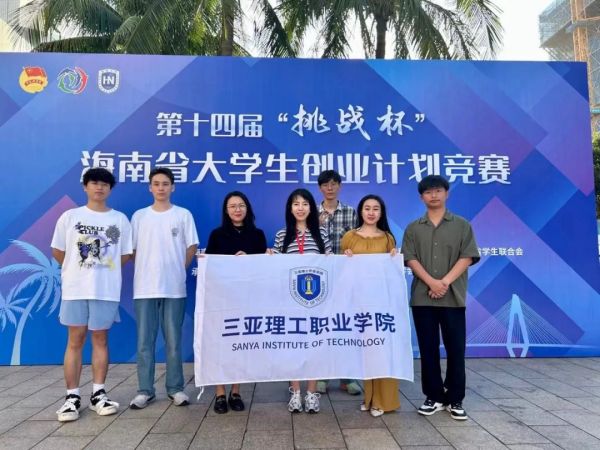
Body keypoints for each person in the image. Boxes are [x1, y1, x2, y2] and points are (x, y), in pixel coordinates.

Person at [51, 167, 132, 422]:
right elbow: (59, 251)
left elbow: (125, 254)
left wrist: (102, 271)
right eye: (94, 183)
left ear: (110, 189)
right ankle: (72, 398)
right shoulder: (70, 216)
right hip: (75, 289)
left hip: (105, 290)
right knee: (75, 340)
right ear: (85, 187)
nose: (99, 187)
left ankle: (98, 394)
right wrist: (79, 270)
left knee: (100, 339)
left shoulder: (119, 219)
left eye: (105, 184)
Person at [401, 175, 480, 421]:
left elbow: (467, 256)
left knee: (456, 349)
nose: (433, 195)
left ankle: (455, 399)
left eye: (438, 191)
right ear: (421, 197)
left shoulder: (462, 225)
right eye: (428, 192)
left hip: (452, 297)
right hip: (422, 298)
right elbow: (410, 259)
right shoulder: (414, 228)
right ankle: (433, 396)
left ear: (447, 193)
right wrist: (432, 283)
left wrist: (444, 282)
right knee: (428, 349)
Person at [129, 167, 198, 410]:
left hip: (174, 288)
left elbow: (191, 247)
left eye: (165, 184)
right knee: (144, 342)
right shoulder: (139, 216)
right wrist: (148, 269)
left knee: (173, 341)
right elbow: (132, 250)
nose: (161, 188)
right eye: (156, 184)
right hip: (145, 288)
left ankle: (175, 388)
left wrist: (177, 269)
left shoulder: (183, 215)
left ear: (172, 187)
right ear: (150, 187)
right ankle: (145, 390)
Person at [205, 191, 267, 414]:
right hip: (222, 298)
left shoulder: (257, 235)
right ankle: (220, 393)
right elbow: (210, 265)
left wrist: (250, 260)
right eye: (232, 206)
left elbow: (263, 268)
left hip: (247, 299)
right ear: (226, 210)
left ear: (247, 208)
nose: (237, 209)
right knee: (221, 345)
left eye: (241, 205)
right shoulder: (217, 234)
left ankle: (236, 391)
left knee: (240, 345)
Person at [271, 188, 332, 413]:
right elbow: (275, 267)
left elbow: (330, 264)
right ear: (290, 208)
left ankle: (312, 393)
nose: (300, 208)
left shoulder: (321, 233)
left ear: (310, 208)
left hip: (316, 301)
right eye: (296, 204)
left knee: (314, 346)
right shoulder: (281, 235)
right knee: (293, 346)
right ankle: (295, 392)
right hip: (290, 301)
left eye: (305, 204)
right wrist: (269, 257)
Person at [341, 194, 399, 417]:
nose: (371, 212)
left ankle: (383, 401)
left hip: (381, 305)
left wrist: (393, 258)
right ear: (361, 211)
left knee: (382, 350)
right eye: (367, 208)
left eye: (376, 208)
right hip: (358, 305)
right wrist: (345, 257)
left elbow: (391, 273)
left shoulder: (388, 239)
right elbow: (342, 271)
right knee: (365, 352)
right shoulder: (349, 237)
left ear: (381, 213)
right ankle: (369, 397)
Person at [315, 170, 360, 396]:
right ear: (320, 188)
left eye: (334, 184)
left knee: (345, 326)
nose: (330, 188)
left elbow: (360, 240)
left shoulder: (351, 212)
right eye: (325, 184)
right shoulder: (312, 213)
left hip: (345, 277)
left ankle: (347, 377)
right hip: (319, 279)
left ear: (340, 186)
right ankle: (322, 375)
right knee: (322, 326)